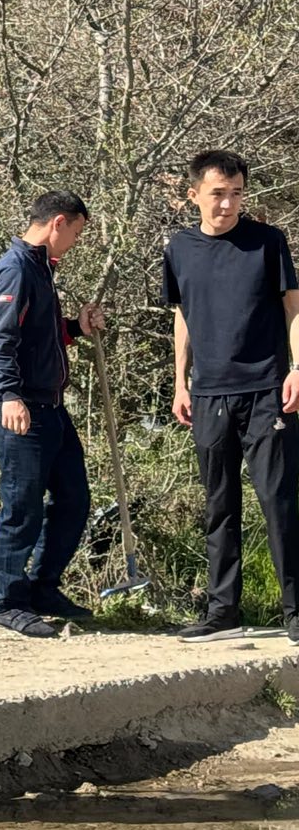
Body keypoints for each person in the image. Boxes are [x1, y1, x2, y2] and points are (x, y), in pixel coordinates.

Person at [163, 150, 299, 642]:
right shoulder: (179, 248)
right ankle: (223, 611)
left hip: (267, 390)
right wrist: (180, 382)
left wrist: (297, 369)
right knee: (219, 505)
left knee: (278, 501)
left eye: (236, 193)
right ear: (194, 194)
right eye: (218, 193)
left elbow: (293, 307)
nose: (227, 204)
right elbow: (182, 314)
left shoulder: (268, 242)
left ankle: (295, 612)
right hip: (208, 394)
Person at [0, 190, 105, 639]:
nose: (76, 241)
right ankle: (9, 602)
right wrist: (9, 395)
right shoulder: (15, 269)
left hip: (51, 406)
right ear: (58, 223)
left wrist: (75, 328)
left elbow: (40, 336)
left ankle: (43, 587)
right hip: (22, 409)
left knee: (74, 498)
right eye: (77, 232)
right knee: (22, 506)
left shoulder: (41, 270)